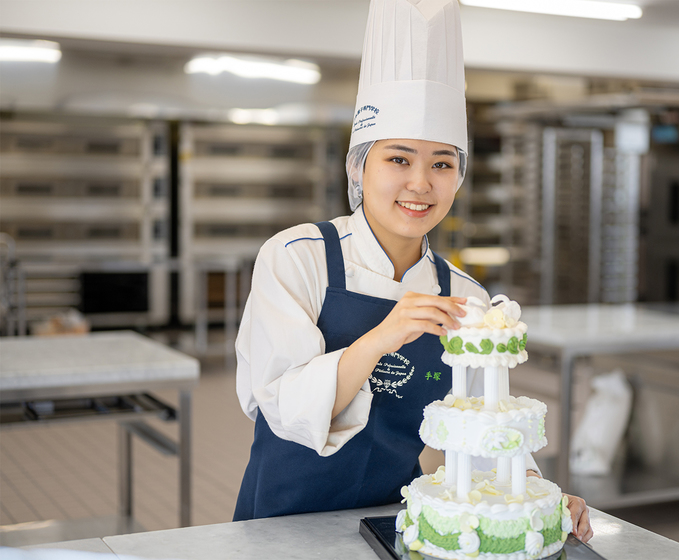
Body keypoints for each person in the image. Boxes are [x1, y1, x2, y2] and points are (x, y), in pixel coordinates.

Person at [233, 0, 593, 543]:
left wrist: (531, 494)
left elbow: (479, 428)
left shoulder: (465, 296)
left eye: (442, 163)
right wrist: (385, 336)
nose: (421, 184)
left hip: (397, 525)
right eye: (399, 159)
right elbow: (279, 404)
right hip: (280, 519)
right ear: (360, 167)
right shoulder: (298, 255)